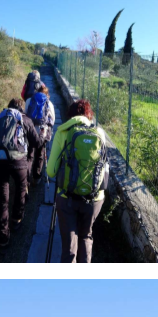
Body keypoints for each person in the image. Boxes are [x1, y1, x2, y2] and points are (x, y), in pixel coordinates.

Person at [46, 97, 110, 264]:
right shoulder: (100, 133)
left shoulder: (63, 132)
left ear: (70, 115)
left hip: (67, 198)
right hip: (94, 198)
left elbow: (51, 171)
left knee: (69, 244)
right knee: (86, 236)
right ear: (89, 115)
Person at [0, 97, 42, 245]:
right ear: (22, 108)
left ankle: (3, 236)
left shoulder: (0, 117)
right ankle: (16, 219)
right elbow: (36, 142)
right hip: (18, 161)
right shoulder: (25, 119)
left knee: (2, 198)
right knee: (21, 189)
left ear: (9, 106)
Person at [25, 81, 56, 184]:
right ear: (47, 94)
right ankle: (37, 177)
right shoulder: (49, 103)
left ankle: (27, 178)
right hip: (42, 132)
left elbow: (25, 115)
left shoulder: (29, 100)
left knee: (30, 155)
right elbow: (53, 119)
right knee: (40, 154)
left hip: (30, 131)